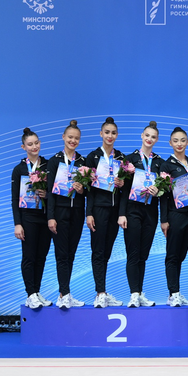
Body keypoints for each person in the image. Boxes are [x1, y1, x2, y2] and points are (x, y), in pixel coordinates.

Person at [118, 121, 163, 308]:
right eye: (147, 136)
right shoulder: (129, 160)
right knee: (133, 254)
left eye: (153, 137)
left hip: (151, 212)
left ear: (156, 139)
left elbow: (164, 191)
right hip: (132, 211)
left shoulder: (160, 162)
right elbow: (123, 189)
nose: (149, 139)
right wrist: (122, 214)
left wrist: (158, 189)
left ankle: (140, 292)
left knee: (143, 255)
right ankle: (133, 294)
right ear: (141, 136)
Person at [84, 117, 125, 308]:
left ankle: (104, 291)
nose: (110, 136)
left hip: (115, 211)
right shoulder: (92, 157)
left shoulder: (121, 159)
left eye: (113, 133)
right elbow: (88, 189)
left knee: (107, 252)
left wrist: (123, 184)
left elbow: (125, 191)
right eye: (107, 132)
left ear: (117, 135)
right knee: (98, 251)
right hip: (98, 210)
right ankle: (99, 293)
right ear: (101, 134)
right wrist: (89, 213)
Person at [47, 120, 87, 309]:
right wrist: (51, 216)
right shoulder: (54, 161)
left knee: (71, 254)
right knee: (61, 254)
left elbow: (88, 190)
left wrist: (81, 190)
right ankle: (63, 294)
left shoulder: (83, 162)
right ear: (63, 137)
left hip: (77, 213)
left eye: (76, 138)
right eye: (70, 137)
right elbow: (49, 191)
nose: (73, 141)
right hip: (60, 212)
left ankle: (66, 293)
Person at [160, 127, 188, 307]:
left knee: (181, 255)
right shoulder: (166, 165)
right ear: (170, 143)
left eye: (183, 140)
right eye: (175, 140)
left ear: (187, 142)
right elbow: (162, 194)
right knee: (173, 255)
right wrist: (164, 220)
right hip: (175, 214)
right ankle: (173, 293)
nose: (179, 143)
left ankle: (176, 291)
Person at [12, 127, 52, 309]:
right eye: (30, 144)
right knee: (29, 256)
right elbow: (14, 199)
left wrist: (47, 194)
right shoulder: (19, 169)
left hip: (45, 217)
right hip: (27, 217)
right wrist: (18, 224)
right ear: (23, 147)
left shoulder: (48, 165)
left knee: (41, 256)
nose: (34, 146)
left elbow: (56, 192)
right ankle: (30, 294)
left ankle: (36, 291)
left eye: (36, 143)